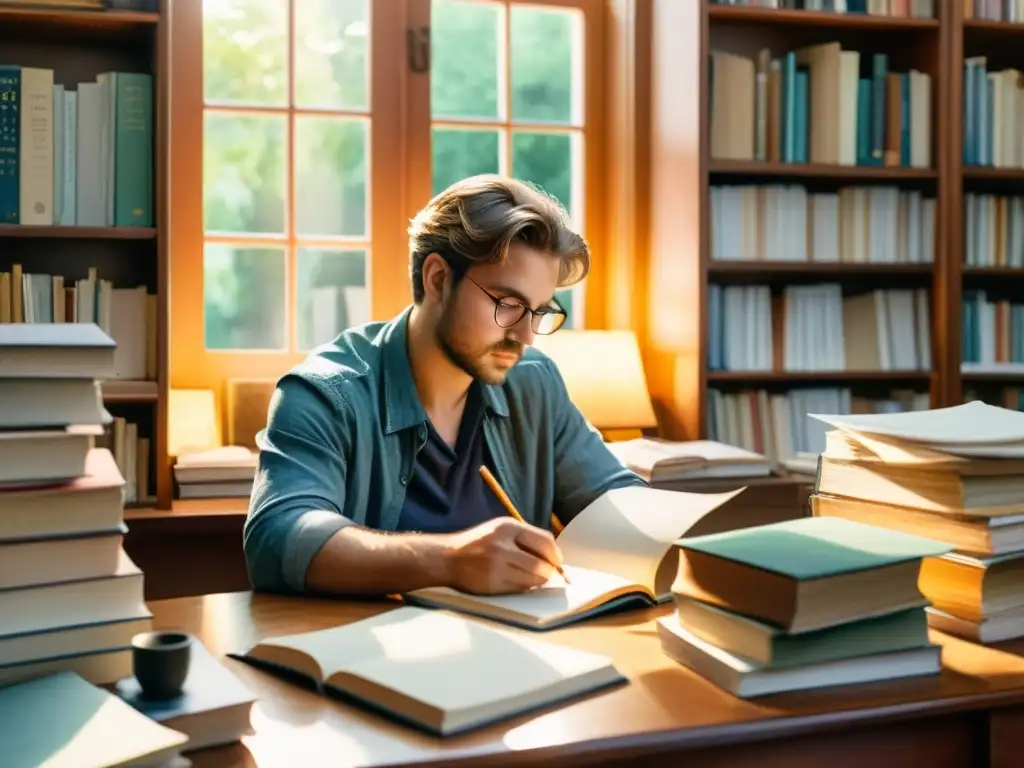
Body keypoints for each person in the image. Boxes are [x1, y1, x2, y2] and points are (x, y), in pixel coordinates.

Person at [243, 174, 647, 598]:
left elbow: (617, 502)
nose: (526, 336)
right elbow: (279, 536)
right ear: (437, 279)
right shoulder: (328, 393)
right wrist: (449, 560)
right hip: (371, 655)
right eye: (508, 305)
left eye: (538, 311)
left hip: (519, 651)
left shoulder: (534, 383)